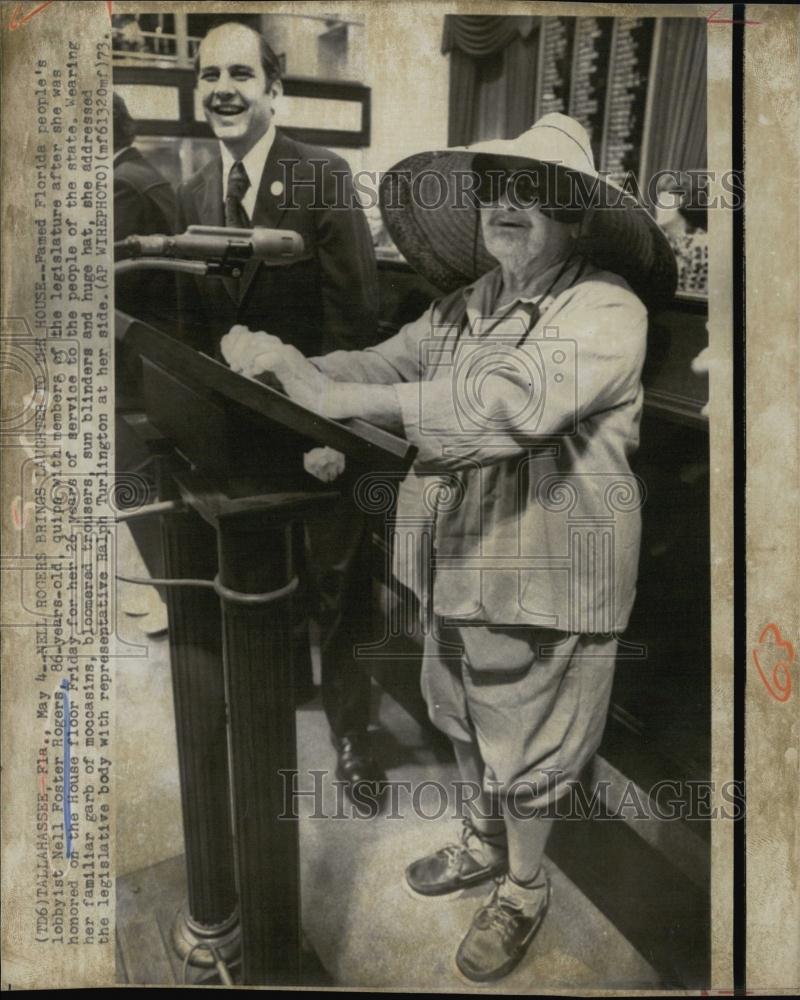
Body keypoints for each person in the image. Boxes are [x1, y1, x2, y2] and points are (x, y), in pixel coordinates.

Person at [220, 113, 677, 982]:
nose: (510, 204)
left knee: (531, 748)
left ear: (576, 215)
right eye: (496, 187)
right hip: (458, 561)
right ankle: (480, 840)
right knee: (462, 712)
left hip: (547, 573)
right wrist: (294, 363)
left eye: (536, 193)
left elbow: (511, 404)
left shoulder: (607, 307)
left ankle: (526, 888)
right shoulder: (468, 304)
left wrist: (335, 400)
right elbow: (387, 365)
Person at [175, 18, 384, 797]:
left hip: (321, 425)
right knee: (271, 571)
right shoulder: (197, 189)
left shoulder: (322, 177)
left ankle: (354, 733)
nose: (223, 89)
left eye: (240, 74)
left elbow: (357, 320)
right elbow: (195, 326)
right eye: (209, 76)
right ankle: (292, 682)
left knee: (340, 583)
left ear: (274, 88)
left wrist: (332, 430)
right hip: (241, 437)